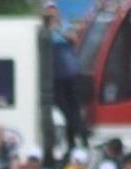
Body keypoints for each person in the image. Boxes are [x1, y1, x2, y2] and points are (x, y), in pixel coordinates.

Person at [43, 1, 87, 150]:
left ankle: (80, 138)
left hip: (71, 74)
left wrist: (60, 29)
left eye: (53, 10)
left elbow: (74, 39)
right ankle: (73, 139)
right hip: (56, 77)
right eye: (48, 11)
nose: (52, 13)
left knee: (75, 108)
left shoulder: (64, 25)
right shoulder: (43, 30)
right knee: (64, 111)